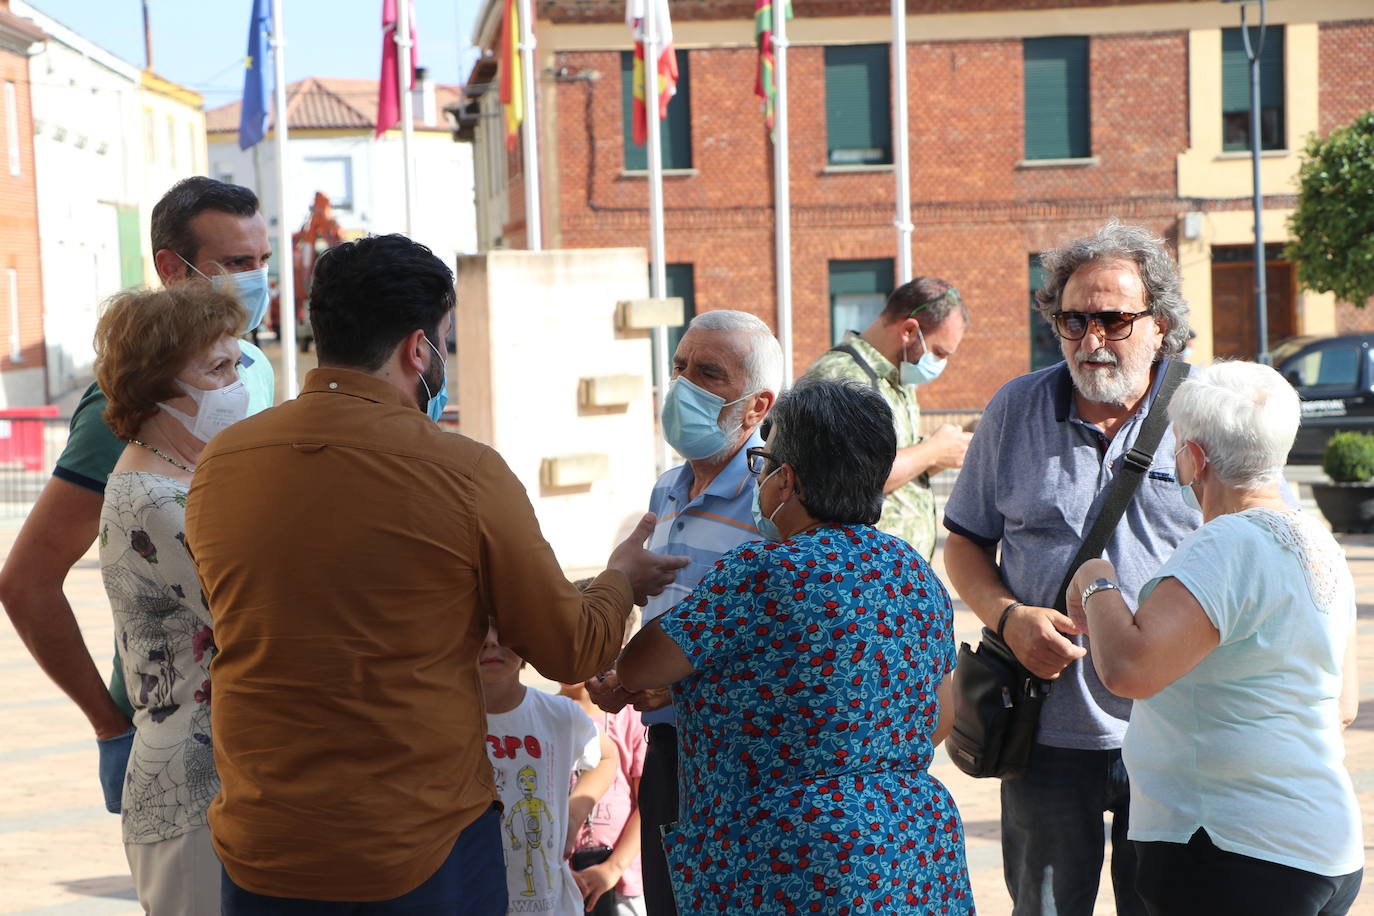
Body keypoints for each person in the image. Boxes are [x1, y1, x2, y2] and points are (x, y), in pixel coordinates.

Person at [184, 233, 686, 914]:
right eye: (445, 339)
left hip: (263, 838)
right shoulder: (461, 471)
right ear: (417, 349)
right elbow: (572, 646)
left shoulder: (223, 461)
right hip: (412, 846)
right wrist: (621, 577)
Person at [617, 377, 973, 914]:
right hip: (910, 853)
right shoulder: (913, 573)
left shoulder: (760, 573)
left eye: (764, 462)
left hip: (790, 862)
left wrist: (622, 579)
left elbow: (639, 666)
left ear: (787, 481)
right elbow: (938, 719)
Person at [941, 220, 1198, 916]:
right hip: (1045, 731)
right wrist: (1008, 615)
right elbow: (962, 543)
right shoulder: (1015, 409)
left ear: (1161, 323)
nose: (1091, 340)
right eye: (1072, 319)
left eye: (1113, 320)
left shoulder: (1209, 412)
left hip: (1178, 731)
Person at [0, 176, 276, 816]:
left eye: (262, 261)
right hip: (179, 738)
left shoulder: (248, 368)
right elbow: (27, 581)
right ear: (171, 269)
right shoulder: (132, 406)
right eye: (237, 264)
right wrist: (109, 727)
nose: (257, 279)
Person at [1066, 360, 1363, 916]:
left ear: (1196, 458)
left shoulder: (1227, 542)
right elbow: (1342, 703)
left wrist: (1094, 580)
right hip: (1318, 842)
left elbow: (1129, 667)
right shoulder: (1319, 541)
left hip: (1232, 848)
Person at [584, 309, 782, 916]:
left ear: (757, 406)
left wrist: (674, 681)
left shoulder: (772, 499)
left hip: (740, 762)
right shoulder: (666, 488)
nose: (684, 387)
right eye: (679, 368)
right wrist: (625, 672)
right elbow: (664, 613)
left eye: (709, 373)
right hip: (666, 752)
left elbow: (773, 636)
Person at [92, 284, 250, 913]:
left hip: (218, 778)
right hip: (191, 790)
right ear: (155, 387)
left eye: (237, 363)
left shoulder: (191, 477)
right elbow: (254, 612)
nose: (237, 382)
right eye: (217, 368)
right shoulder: (154, 501)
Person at [804, 276, 972, 559]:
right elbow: (847, 481)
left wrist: (936, 459)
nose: (941, 364)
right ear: (909, 330)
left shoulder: (896, 380)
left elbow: (886, 466)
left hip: (893, 578)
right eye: (939, 352)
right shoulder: (842, 378)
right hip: (860, 579)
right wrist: (932, 450)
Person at [481, 623, 618, 915]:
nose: (491, 641)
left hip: (549, 904)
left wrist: (573, 816)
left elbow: (607, 757)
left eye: (501, 626)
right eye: (478, 628)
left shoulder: (560, 715)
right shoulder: (440, 720)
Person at [561, 661, 647, 916]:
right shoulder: (542, 716)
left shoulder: (631, 717)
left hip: (624, 883)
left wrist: (612, 868)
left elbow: (647, 805)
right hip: (562, 880)